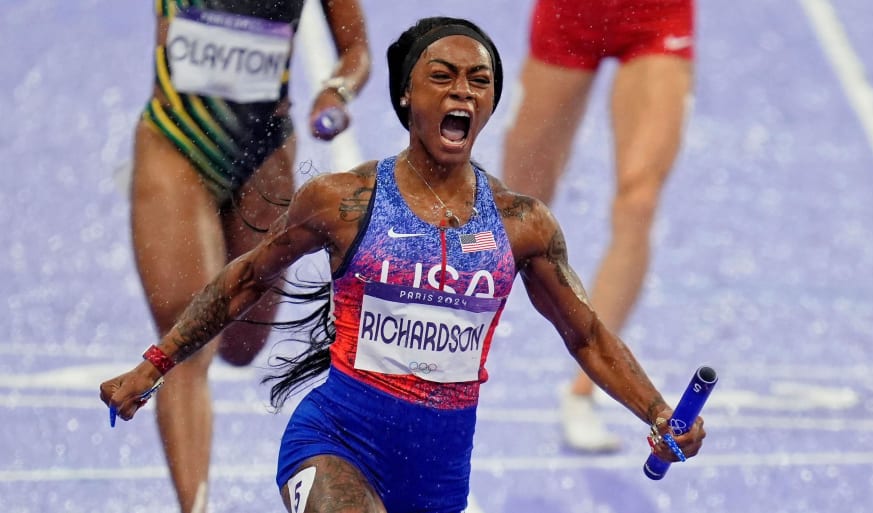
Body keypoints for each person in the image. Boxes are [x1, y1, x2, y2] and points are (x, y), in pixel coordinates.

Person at [102, 16, 705, 513]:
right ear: (404, 96)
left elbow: (589, 336)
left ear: (491, 100)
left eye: (478, 80)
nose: (461, 92)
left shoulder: (523, 225)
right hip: (332, 444)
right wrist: (156, 364)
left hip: (437, 484)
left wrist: (657, 413)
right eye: (441, 77)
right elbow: (246, 279)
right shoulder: (343, 202)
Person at [128, 1, 370, 512]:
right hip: (177, 142)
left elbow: (356, 50)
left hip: (264, 153)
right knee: (187, 342)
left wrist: (337, 92)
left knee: (241, 344)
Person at [501, 0, 695, 452]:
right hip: (571, 13)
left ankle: (584, 391)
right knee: (514, 209)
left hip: (656, 16)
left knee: (639, 201)